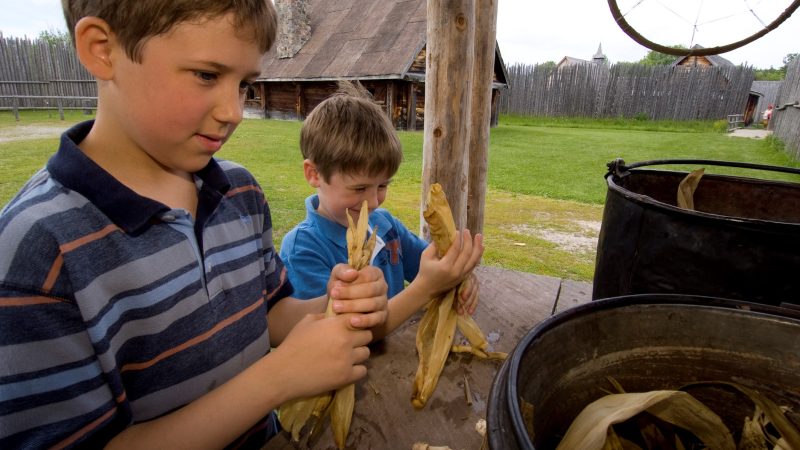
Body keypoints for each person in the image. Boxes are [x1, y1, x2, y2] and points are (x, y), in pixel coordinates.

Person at [0, 2, 389, 449]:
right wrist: (276, 379)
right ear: (103, 50)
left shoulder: (238, 193)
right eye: (207, 75)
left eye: (244, 83)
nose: (235, 111)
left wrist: (335, 305)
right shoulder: (38, 254)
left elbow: (270, 313)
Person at [280, 82, 484, 341]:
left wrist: (459, 275)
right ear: (314, 174)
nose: (374, 202)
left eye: (382, 185)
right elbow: (342, 333)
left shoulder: (385, 226)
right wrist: (424, 289)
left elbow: (432, 266)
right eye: (360, 187)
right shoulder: (303, 249)